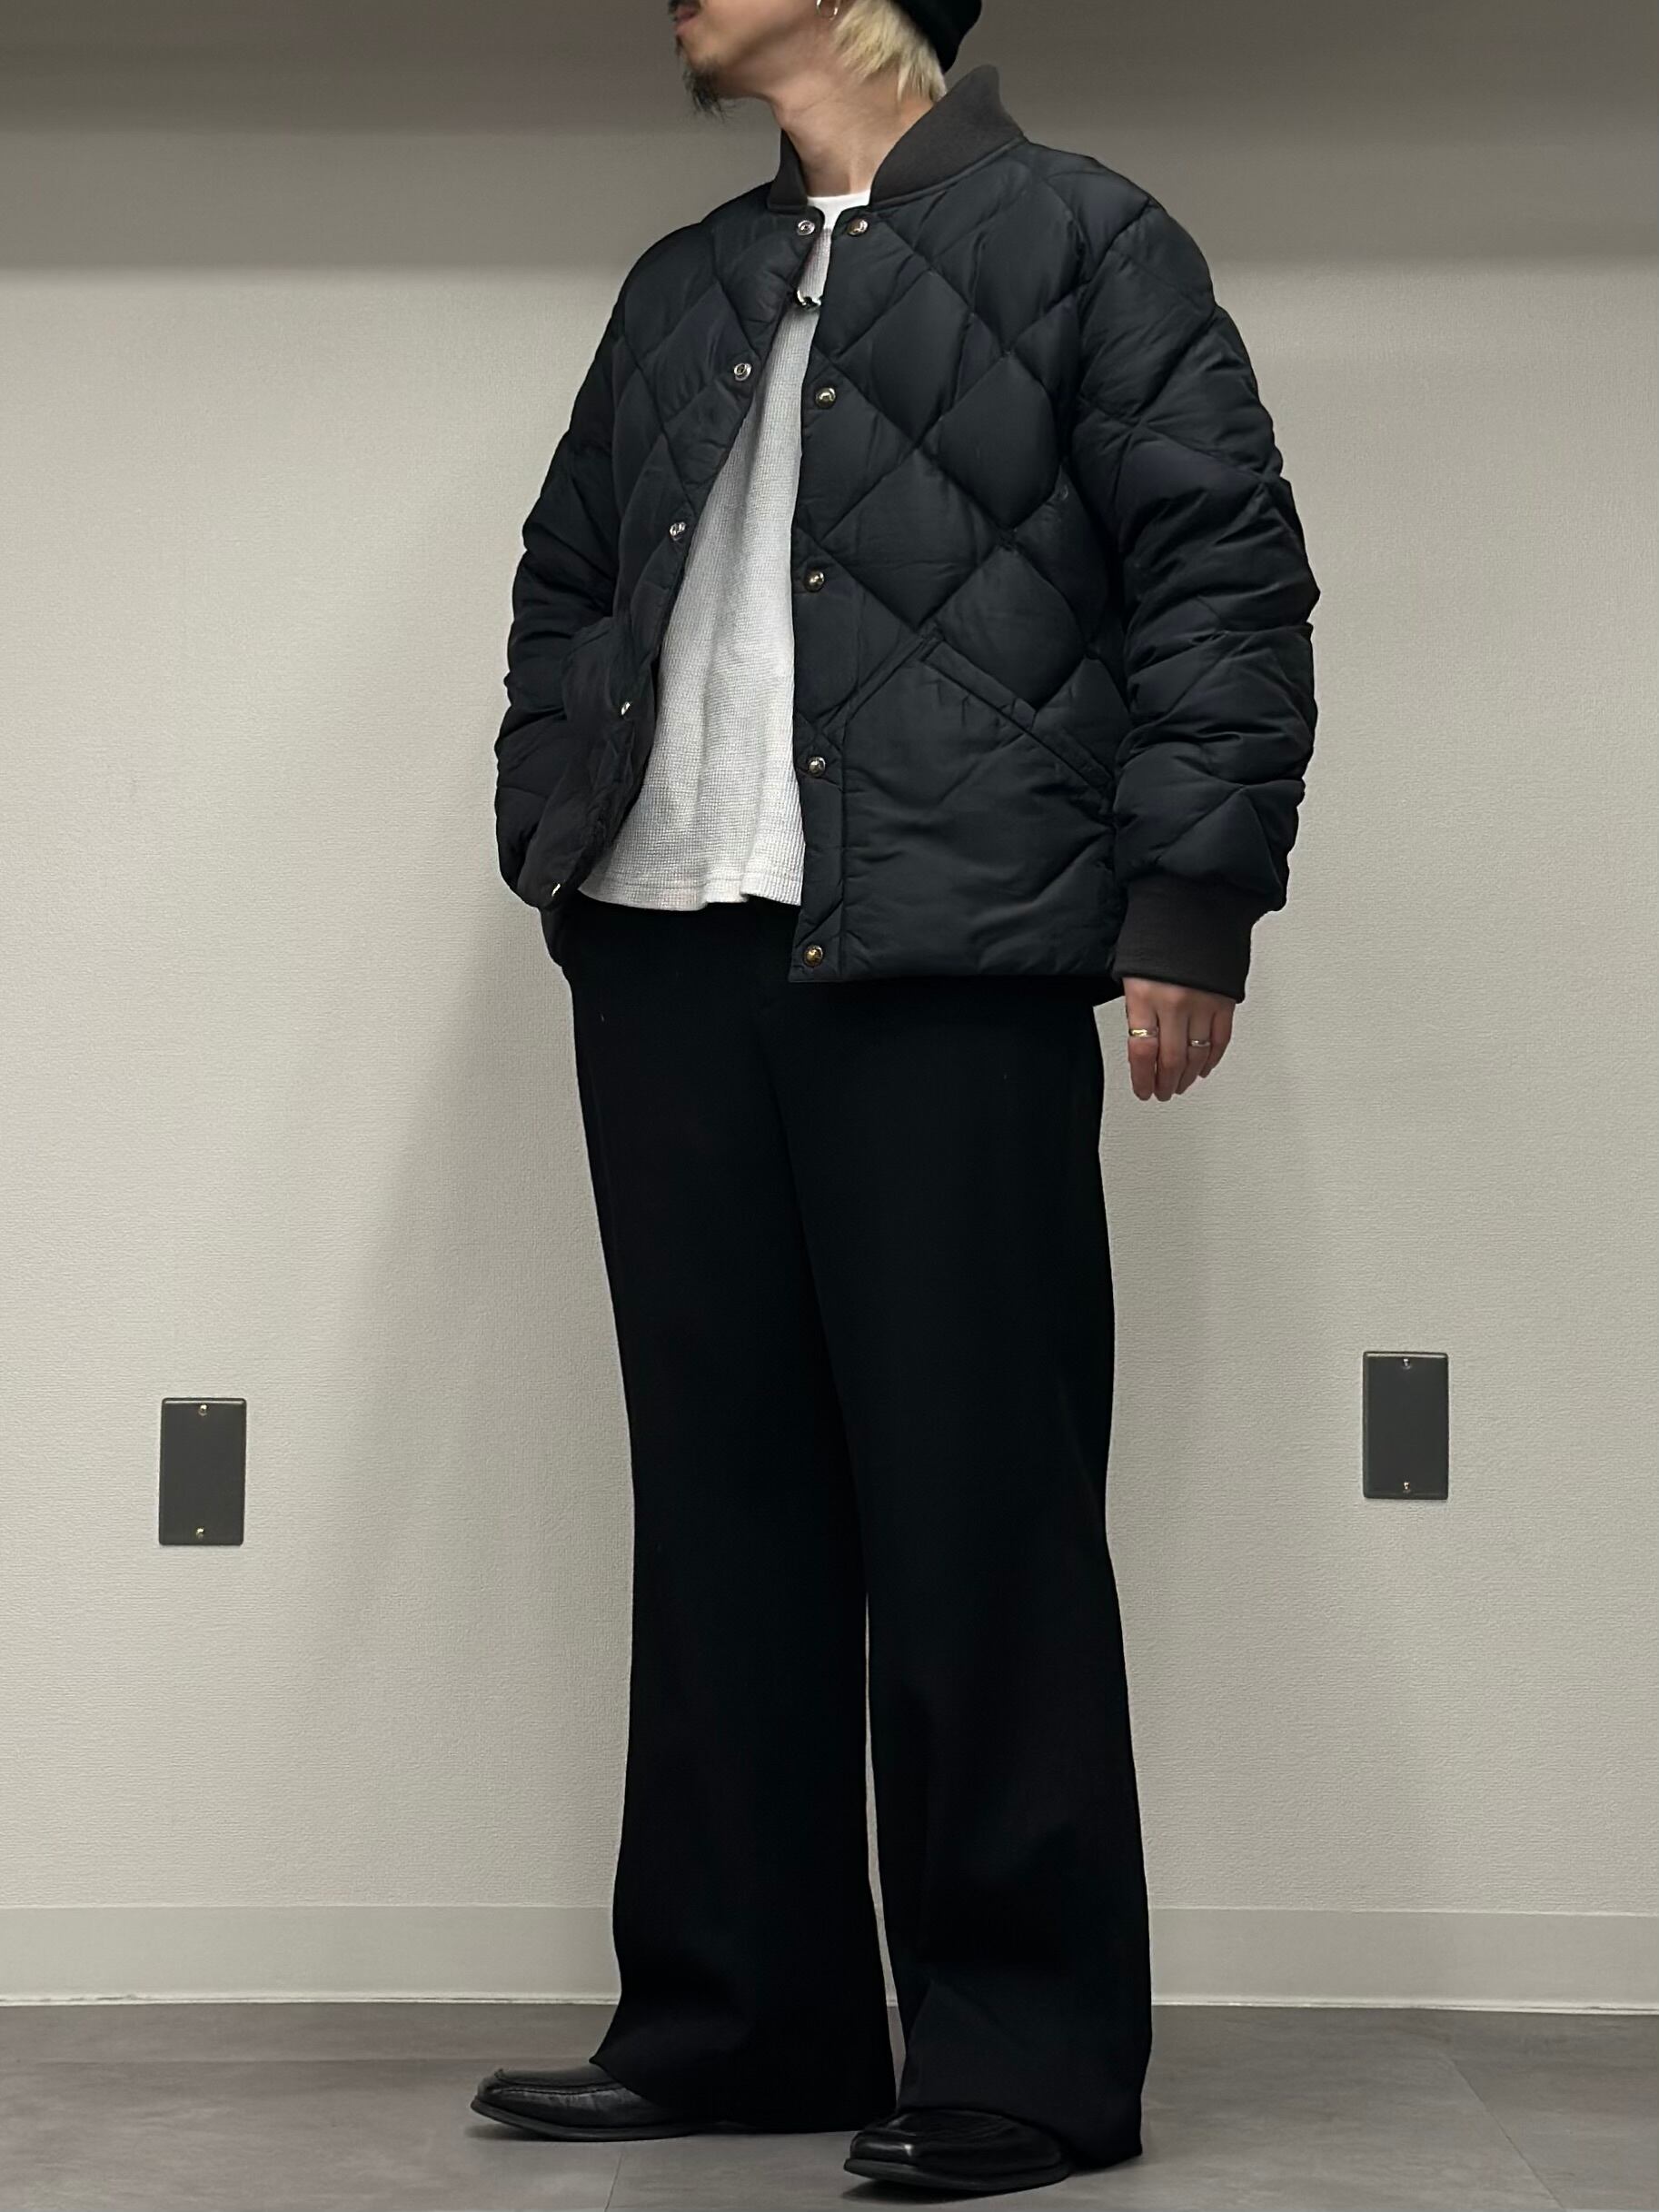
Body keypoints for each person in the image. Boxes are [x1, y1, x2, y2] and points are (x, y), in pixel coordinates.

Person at [472, 0, 1318, 2195]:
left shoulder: (1084, 239)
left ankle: (1024, 2055)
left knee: (978, 1509)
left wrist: (1187, 905)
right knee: (722, 1504)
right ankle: (743, 2017)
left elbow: (1220, 578)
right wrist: (555, 826)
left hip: (947, 952)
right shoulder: (687, 278)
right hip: (669, 946)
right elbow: (568, 575)